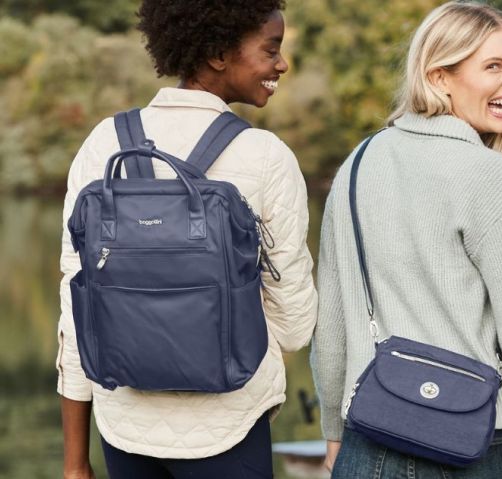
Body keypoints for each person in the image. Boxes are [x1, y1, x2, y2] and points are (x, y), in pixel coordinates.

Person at [311, 2, 502, 478]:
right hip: (476, 440)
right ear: (439, 78)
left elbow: (330, 323)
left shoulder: (357, 164)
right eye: (493, 66)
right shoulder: (487, 173)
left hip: (371, 434)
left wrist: (332, 429)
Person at [57, 1, 318, 478]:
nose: (281, 64)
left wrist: (75, 463)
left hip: (123, 427)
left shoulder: (103, 143)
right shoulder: (264, 156)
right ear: (219, 53)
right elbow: (297, 324)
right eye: (271, 49)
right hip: (228, 426)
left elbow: (75, 311)